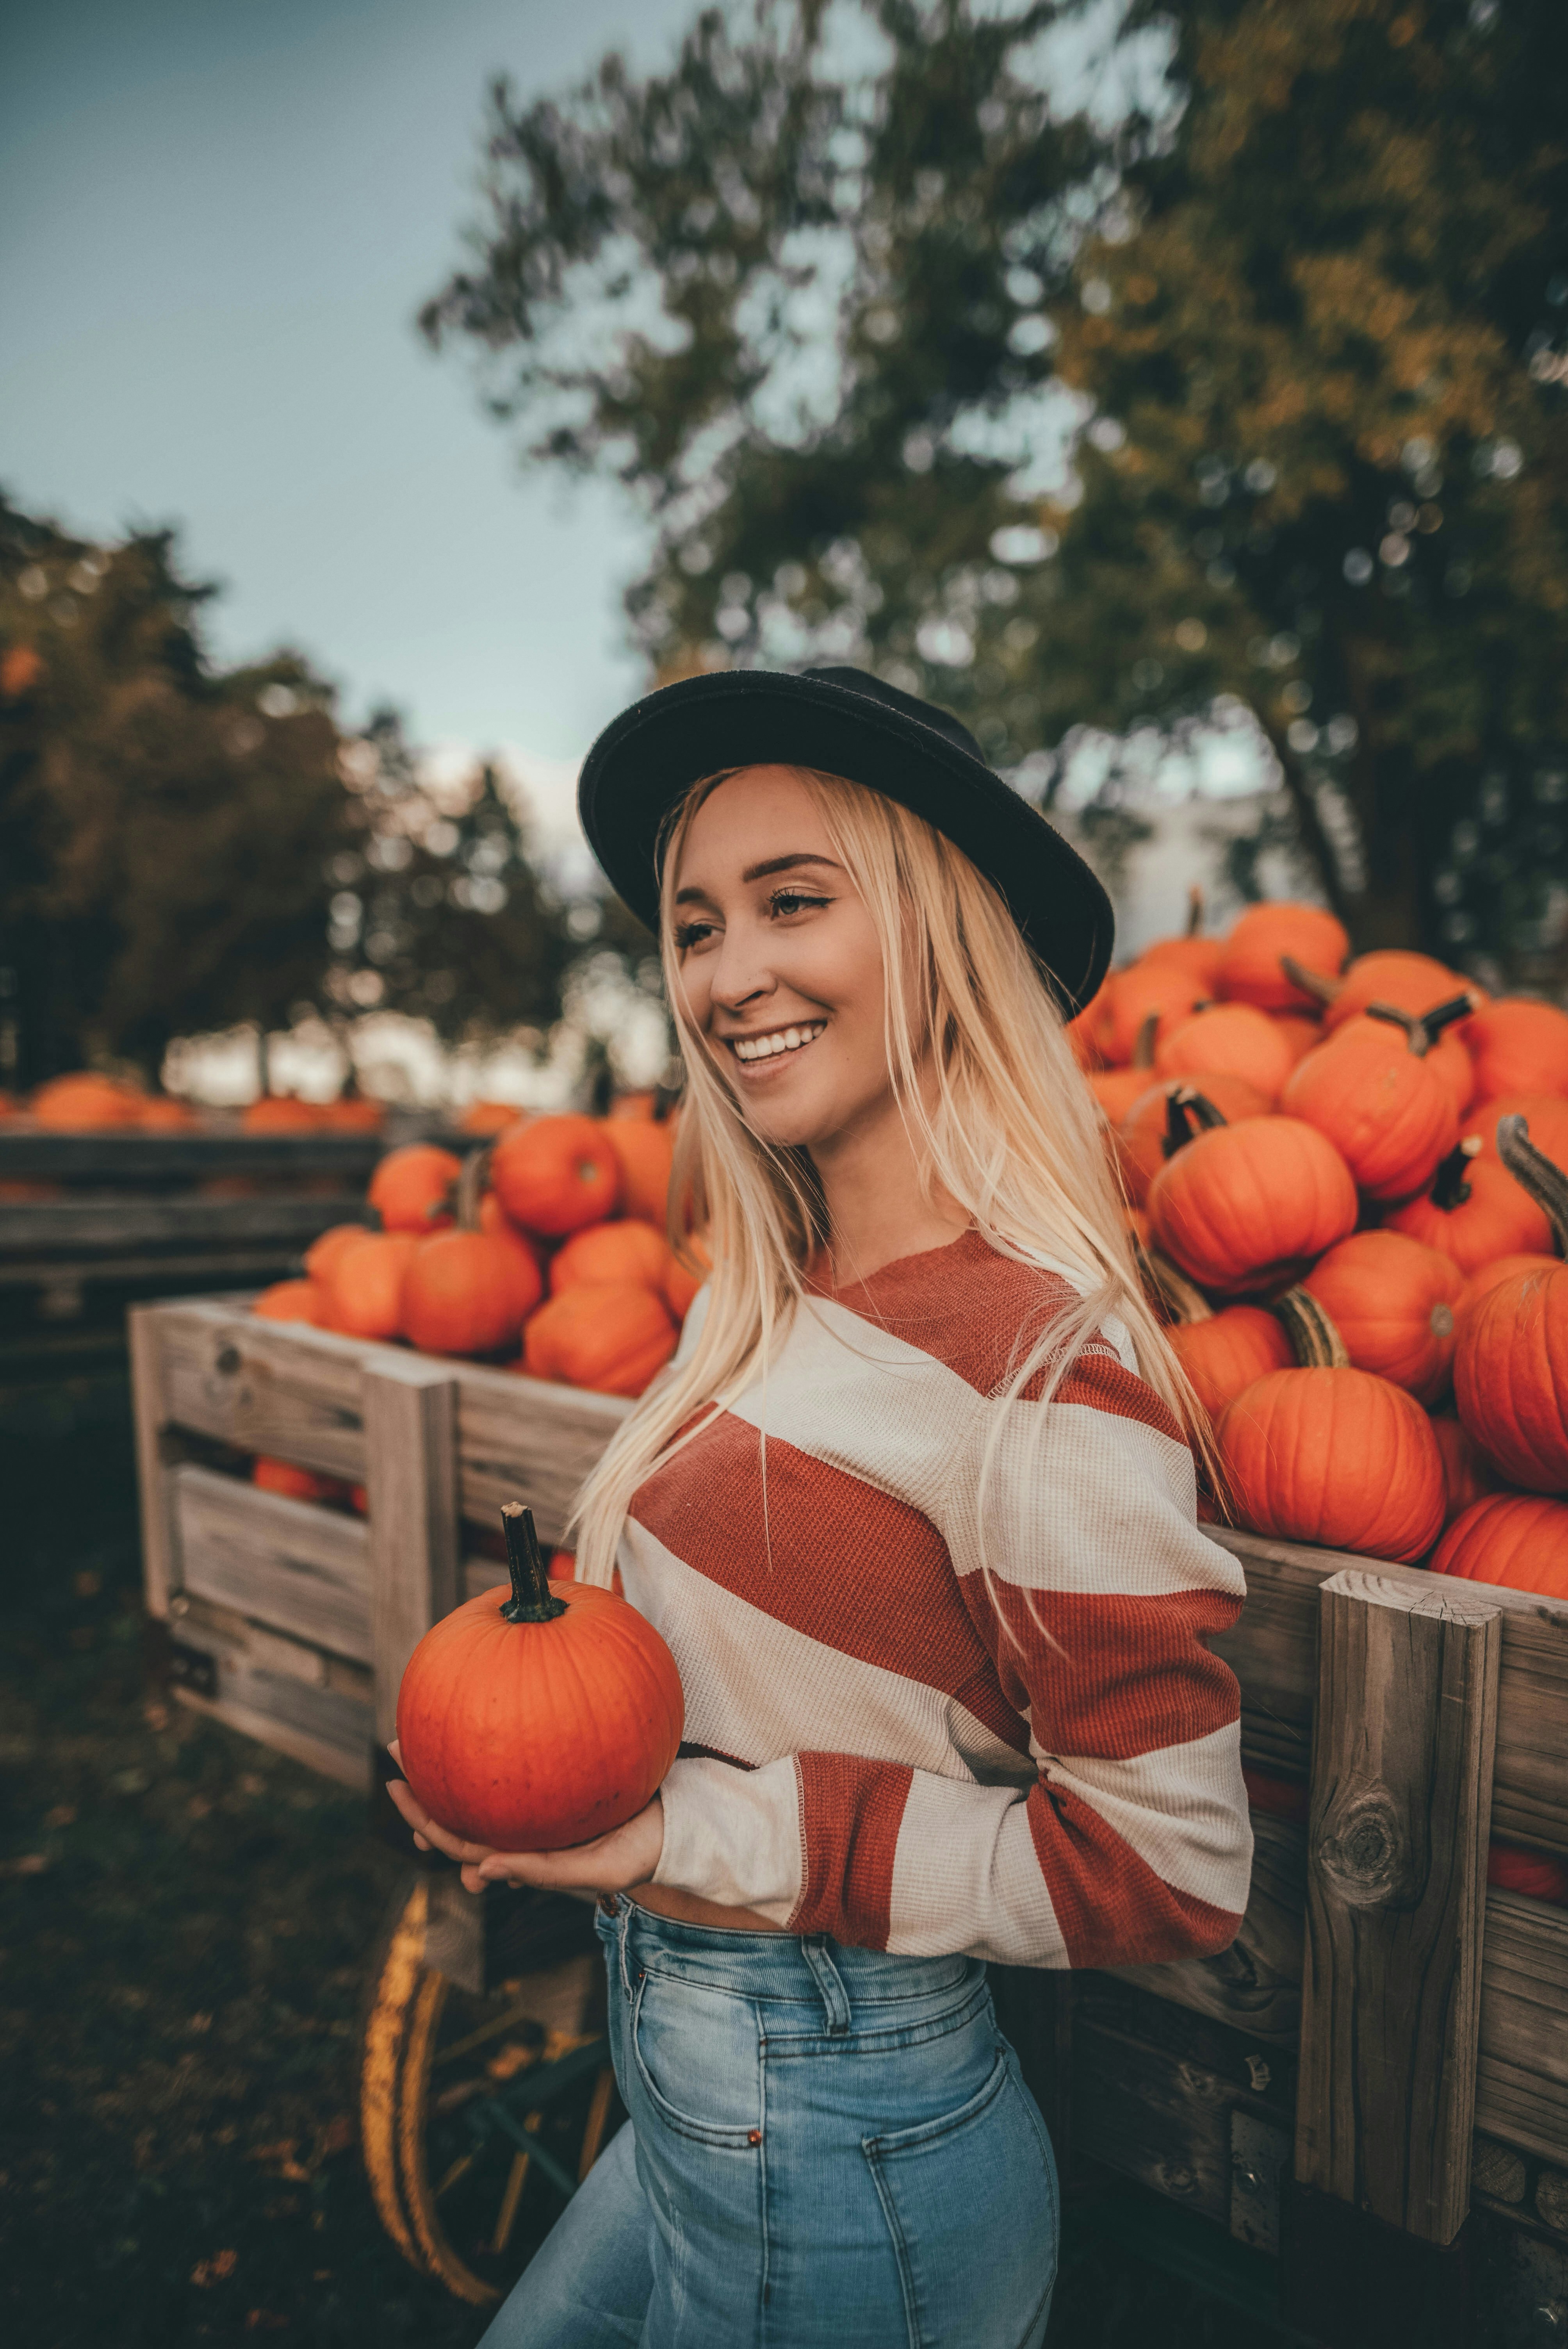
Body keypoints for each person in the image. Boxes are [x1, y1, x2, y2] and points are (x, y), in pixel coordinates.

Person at [387, 666, 1253, 2349]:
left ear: (938, 928)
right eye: (696, 925)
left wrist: (687, 1844)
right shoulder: (767, 1307)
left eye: (794, 902)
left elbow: (1172, 1865)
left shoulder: (1037, 1371)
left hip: (849, 2128)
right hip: (704, 2096)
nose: (728, 974)